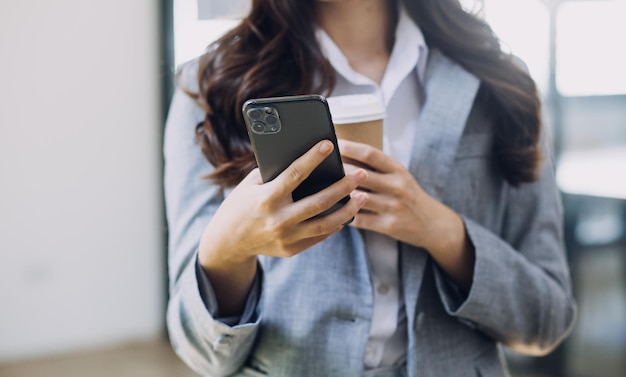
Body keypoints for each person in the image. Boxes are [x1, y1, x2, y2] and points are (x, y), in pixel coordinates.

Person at [163, 0, 577, 376]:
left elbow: (547, 321)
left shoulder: (501, 84)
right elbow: (201, 352)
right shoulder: (209, 86)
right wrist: (227, 250)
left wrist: (442, 231)